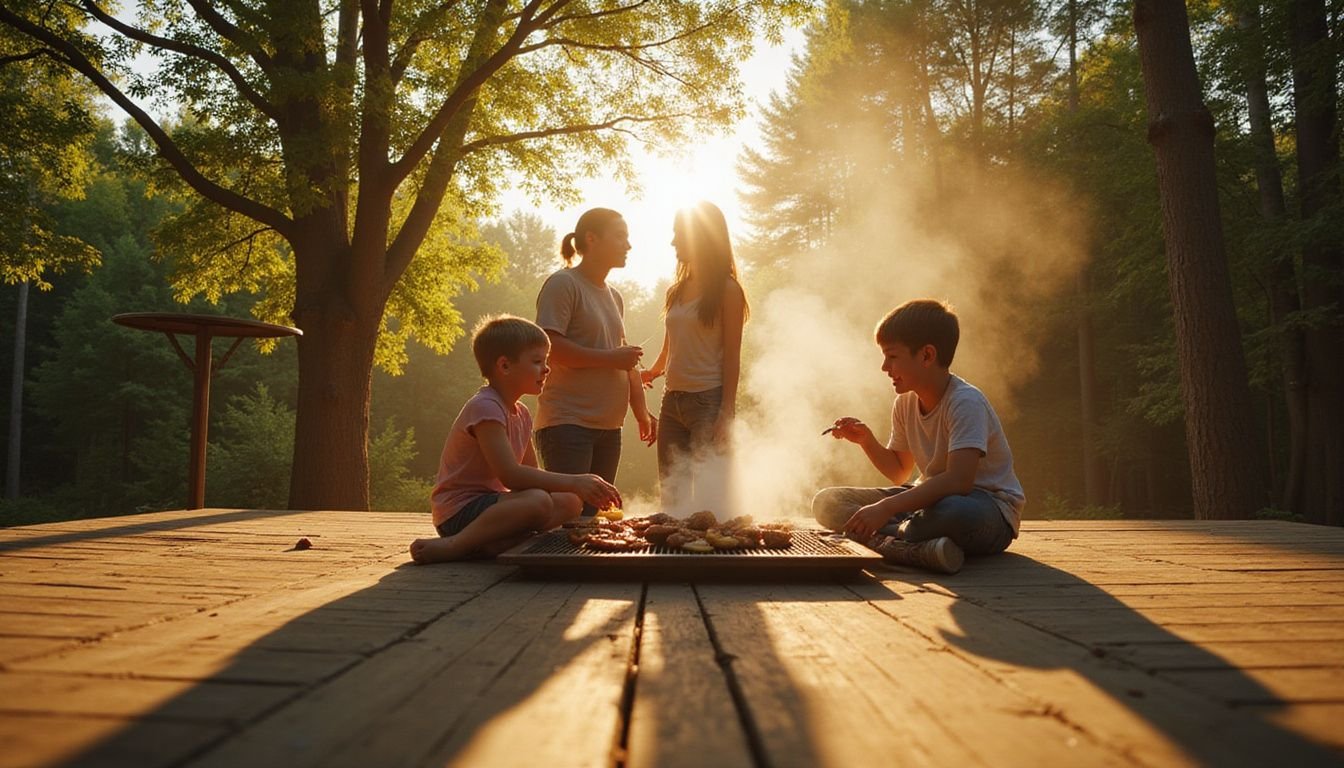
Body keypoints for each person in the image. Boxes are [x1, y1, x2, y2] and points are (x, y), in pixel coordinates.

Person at [813, 299, 1024, 574]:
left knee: (954, 512)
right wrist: (866, 440)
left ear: (926, 356)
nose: (884, 367)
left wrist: (885, 509)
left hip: (985, 510)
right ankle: (911, 546)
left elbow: (960, 481)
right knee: (827, 502)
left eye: (892, 356)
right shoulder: (905, 403)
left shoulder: (965, 402)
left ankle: (880, 541)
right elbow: (900, 472)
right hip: (924, 503)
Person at [410, 315, 622, 564]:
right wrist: (576, 480)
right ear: (505, 366)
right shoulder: (486, 407)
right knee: (538, 500)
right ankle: (455, 545)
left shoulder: (520, 413)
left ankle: (498, 542)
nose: (547, 369)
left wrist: (580, 488)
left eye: (546, 361)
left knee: (569, 501)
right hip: (459, 514)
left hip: (495, 509)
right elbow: (510, 475)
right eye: (537, 361)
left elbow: (530, 473)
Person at [534, 207, 655, 516]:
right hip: (568, 424)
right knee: (570, 516)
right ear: (592, 238)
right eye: (620, 237)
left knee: (594, 517)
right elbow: (551, 347)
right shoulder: (564, 284)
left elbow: (625, 360)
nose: (628, 245)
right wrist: (611, 358)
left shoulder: (614, 297)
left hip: (609, 428)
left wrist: (641, 412)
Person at [640, 201, 748, 516]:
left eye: (678, 234)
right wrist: (652, 372)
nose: (673, 241)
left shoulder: (728, 291)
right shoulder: (675, 291)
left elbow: (732, 356)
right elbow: (670, 344)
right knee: (672, 496)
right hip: (671, 402)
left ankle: (713, 561)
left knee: (710, 499)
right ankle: (673, 562)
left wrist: (726, 412)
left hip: (709, 401)